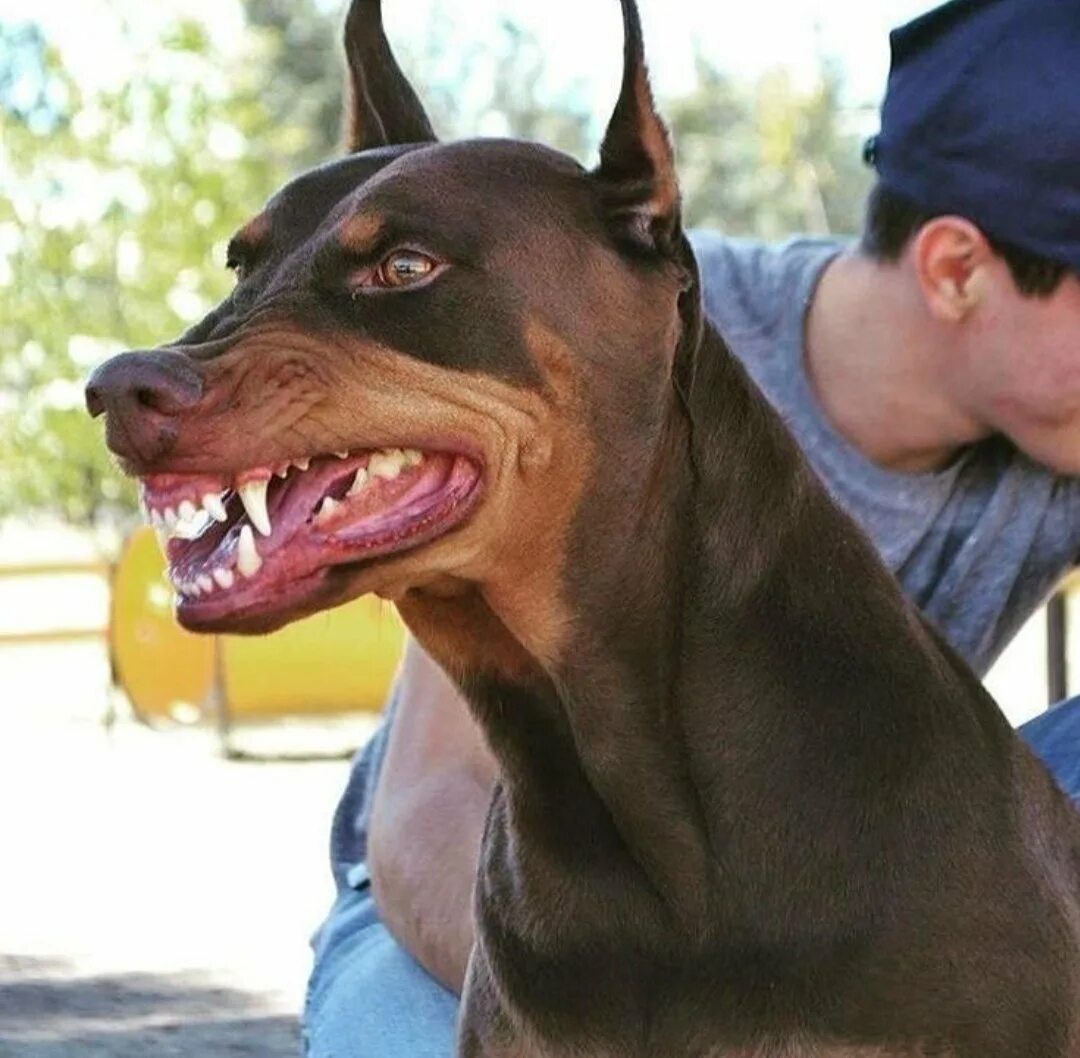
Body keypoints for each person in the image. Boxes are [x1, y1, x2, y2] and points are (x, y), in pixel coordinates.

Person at [302, 0, 1080, 1054]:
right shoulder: (612, 331)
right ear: (956, 270)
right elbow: (430, 809)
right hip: (493, 918)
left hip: (840, 921)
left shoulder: (1049, 433)